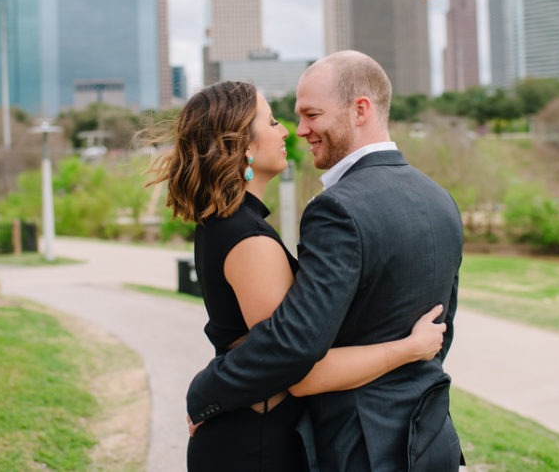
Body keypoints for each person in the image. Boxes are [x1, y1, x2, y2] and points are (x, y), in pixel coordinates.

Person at [150, 80, 448, 471]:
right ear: (243, 146)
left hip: (255, 435)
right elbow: (298, 368)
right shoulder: (247, 239)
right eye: (272, 122)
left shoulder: (230, 225)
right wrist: (409, 348)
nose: (287, 131)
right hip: (254, 447)